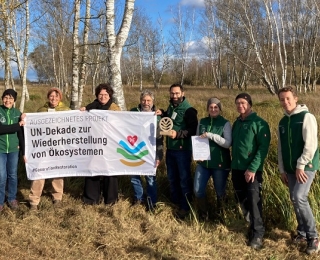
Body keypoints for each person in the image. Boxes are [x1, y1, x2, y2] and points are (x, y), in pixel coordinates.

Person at [277, 86, 319, 255]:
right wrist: (282, 169)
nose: (285, 102)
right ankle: (301, 233)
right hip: (289, 168)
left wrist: (300, 164)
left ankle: (313, 237)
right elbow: (280, 148)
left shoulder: (306, 117)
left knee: (299, 197)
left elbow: (311, 145)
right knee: (293, 199)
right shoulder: (282, 121)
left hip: (306, 166)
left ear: (295, 98)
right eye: (282, 99)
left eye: (288, 98)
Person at [231, 93, 270, 250]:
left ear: (250, 104)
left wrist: (252, 168)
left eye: (243, 102)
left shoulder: (259, 123)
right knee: (241, 198)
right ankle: (250, 224)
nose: (240, 105)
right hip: (237, 169)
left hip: (252, 171)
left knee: (254, 200)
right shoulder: (236, 123)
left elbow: (263, 148)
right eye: (238, 103)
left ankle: (258, 233)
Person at [158, 83, 198, 219]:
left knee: (184, 179)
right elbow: (170, 120)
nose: (174, 96)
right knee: (172, 178)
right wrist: (162, 113)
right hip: (171, 150)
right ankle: (175, 203)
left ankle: (185, 207)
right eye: (172, 93)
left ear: (182, 93)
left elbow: (193, 130)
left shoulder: (189, 110)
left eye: (177, 93)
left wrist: (178, 134)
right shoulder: (172, 107)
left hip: (182, 151)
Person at [29, 87, 71, 210]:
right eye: (51, 96)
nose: (54, 98)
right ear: (48, 97)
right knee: (39, 172)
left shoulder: (67, 111)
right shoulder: (41, 111)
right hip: (43, 147)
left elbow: (73, 126)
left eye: (56, 96)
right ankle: (34, 201)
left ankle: (57, 197)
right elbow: (33, 127)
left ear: (60, 98)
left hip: (59, 146)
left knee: (58, 172)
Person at [81, 83, 120, 205]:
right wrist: (83, 110)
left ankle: (110, 199)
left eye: (105, 94)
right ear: (97, 95)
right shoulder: (92, 107)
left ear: (110, 95)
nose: (103, 97)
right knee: (93, 169)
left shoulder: (115, 108)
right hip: (94, 143)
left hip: (110, 145)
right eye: (100, 94)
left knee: (110, 171)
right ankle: (91, 199)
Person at [194, 97, 231, 221]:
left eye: (216, 107)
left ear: (220, 109)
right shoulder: (202, 121)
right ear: (207, 108)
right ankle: (203, 216)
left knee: (220, 192)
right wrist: (197, 154)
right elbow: (197, 139)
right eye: (211, 107)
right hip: (203, 163)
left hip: (219, 163)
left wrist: (211, 135)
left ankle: (221, 216)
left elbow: (227, 143)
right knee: (198, 189)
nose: (213, 109)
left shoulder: (225, 123)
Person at [130, 90, 163, 211]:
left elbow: (160, 139)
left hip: (150, 152)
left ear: (152, 102)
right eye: (144, 100)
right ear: (140, 101)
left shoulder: (158, 116)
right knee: (134, 177)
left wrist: (159, 156)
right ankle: (138, 198)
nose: (146, 103)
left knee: (150, 178)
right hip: (134, 150)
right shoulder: (132, 112)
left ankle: (151, 202)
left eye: (149, 100)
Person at [0, 89, 25, 211]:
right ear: (2, 98)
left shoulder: (17, 113)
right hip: (1, 149)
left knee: (13, 175)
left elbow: (21, 134)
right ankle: (0, 201)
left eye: (10, 98)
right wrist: (18, 125)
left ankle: (12, 198)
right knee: (1, 176)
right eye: (5, 97)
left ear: (14, 100)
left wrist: (24, 151)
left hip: (14, 150)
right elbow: (1, 129)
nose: (7, 100)